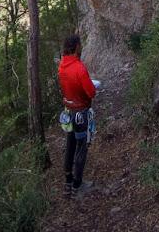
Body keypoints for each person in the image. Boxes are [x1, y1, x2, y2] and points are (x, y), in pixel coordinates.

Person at [58, 34, 96, 200]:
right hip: (81, 112)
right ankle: (77, 186)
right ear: (75, 47)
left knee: (70, 145)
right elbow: (91, 92)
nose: (82, 48)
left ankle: (68, 182)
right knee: (81, 148)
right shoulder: (79, 68)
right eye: (80, 45)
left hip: (69, 112)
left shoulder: (62, 66)